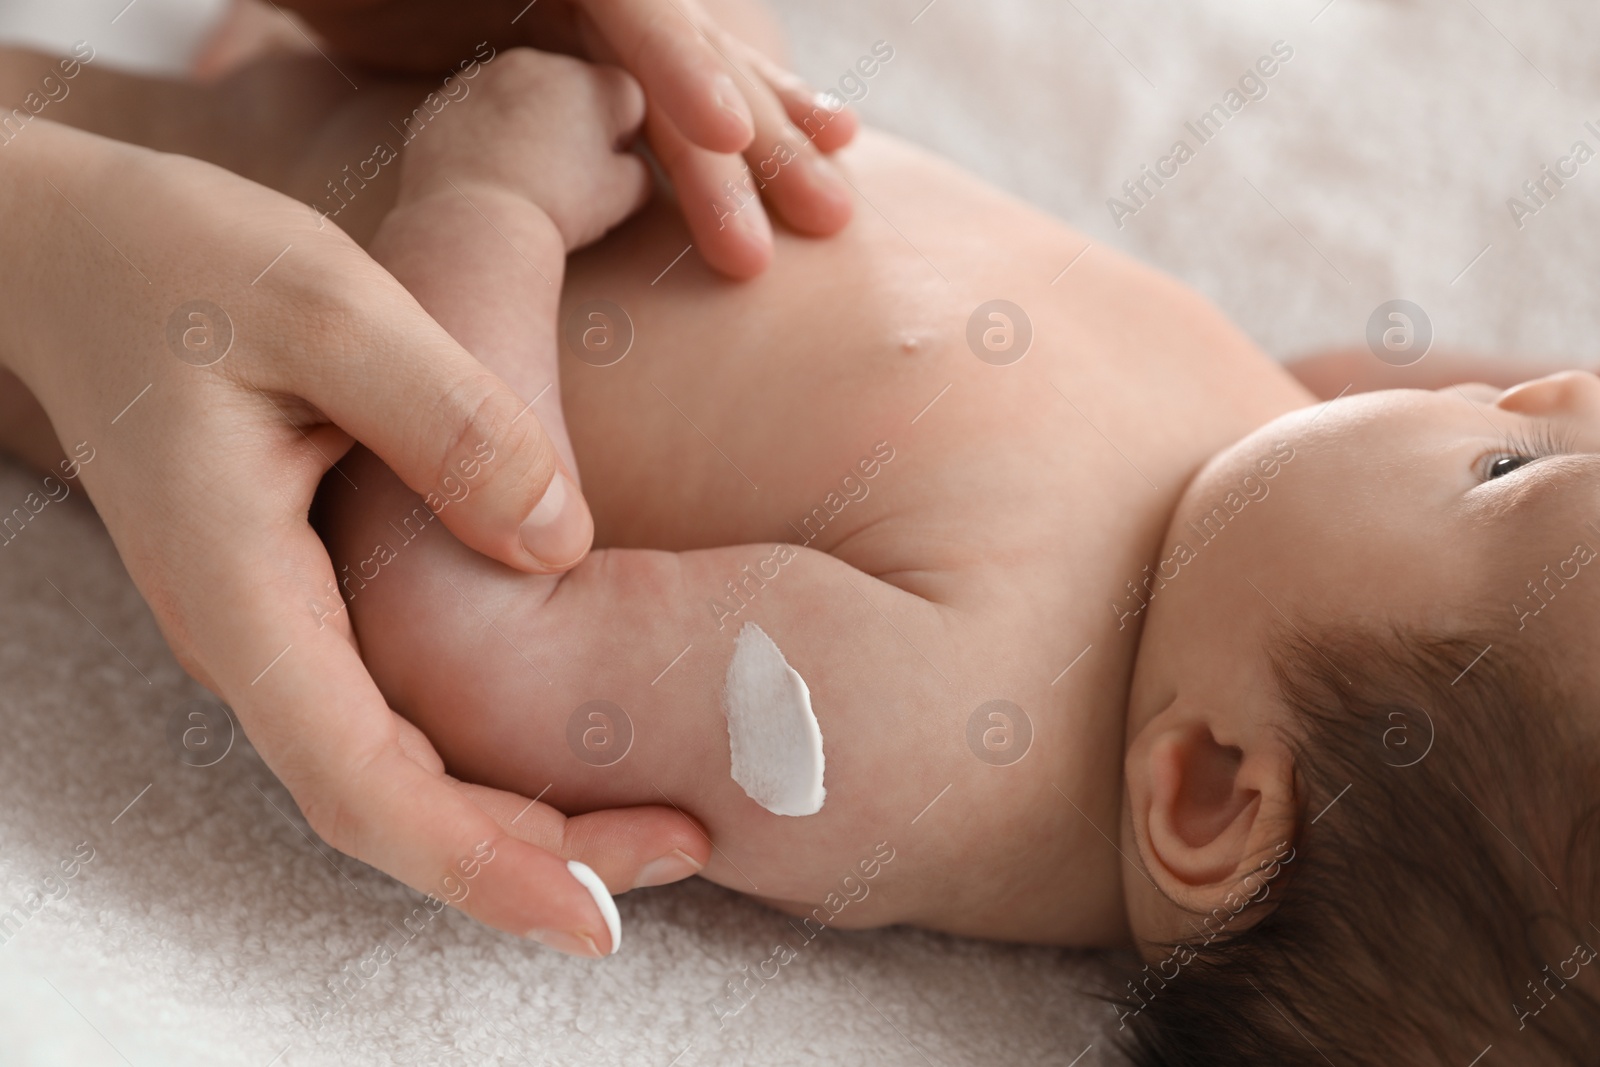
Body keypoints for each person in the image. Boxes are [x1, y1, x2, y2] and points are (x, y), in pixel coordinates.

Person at [269, 17, 1595, 1067]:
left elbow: (472, 644)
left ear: (1211, 795)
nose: (1553, 397)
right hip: (628, 94)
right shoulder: (1273, 486)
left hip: (283, 265)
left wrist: (483, 207)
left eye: (1507, 472)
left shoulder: (960, 717)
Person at [0, 0, 856, 957]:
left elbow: (483, 652)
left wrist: (487, 210)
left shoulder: (1003, 713)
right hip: (417, 73)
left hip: (123, 338)